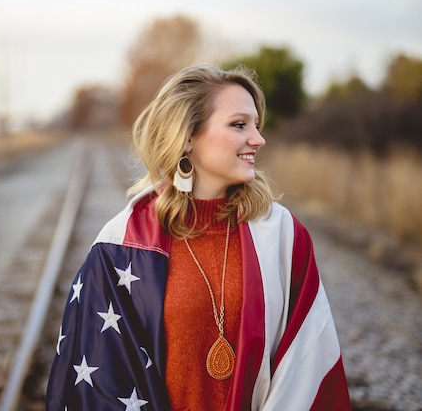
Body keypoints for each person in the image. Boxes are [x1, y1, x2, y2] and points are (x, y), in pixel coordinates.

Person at [45, 64, 351, 410]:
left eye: (256, 124)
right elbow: (101, 379)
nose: (259, 139)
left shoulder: (282, 235)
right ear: (188, 136)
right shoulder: (120, 244)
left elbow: (306, 362)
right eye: (239, 124)